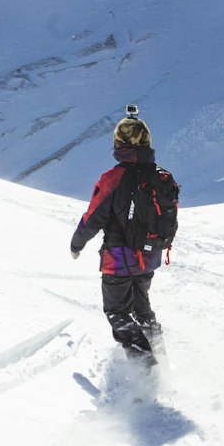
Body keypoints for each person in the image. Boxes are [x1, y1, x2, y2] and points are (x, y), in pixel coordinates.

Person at [70, 112, 177, 367]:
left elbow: (94, 216)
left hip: (119, 258)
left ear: (119, 144)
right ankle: (160, 355)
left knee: (118, 313)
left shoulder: (114, 177)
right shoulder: (162, 176)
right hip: (149, 256)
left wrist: (76, 244)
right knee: (142, 309)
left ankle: (145, 370)